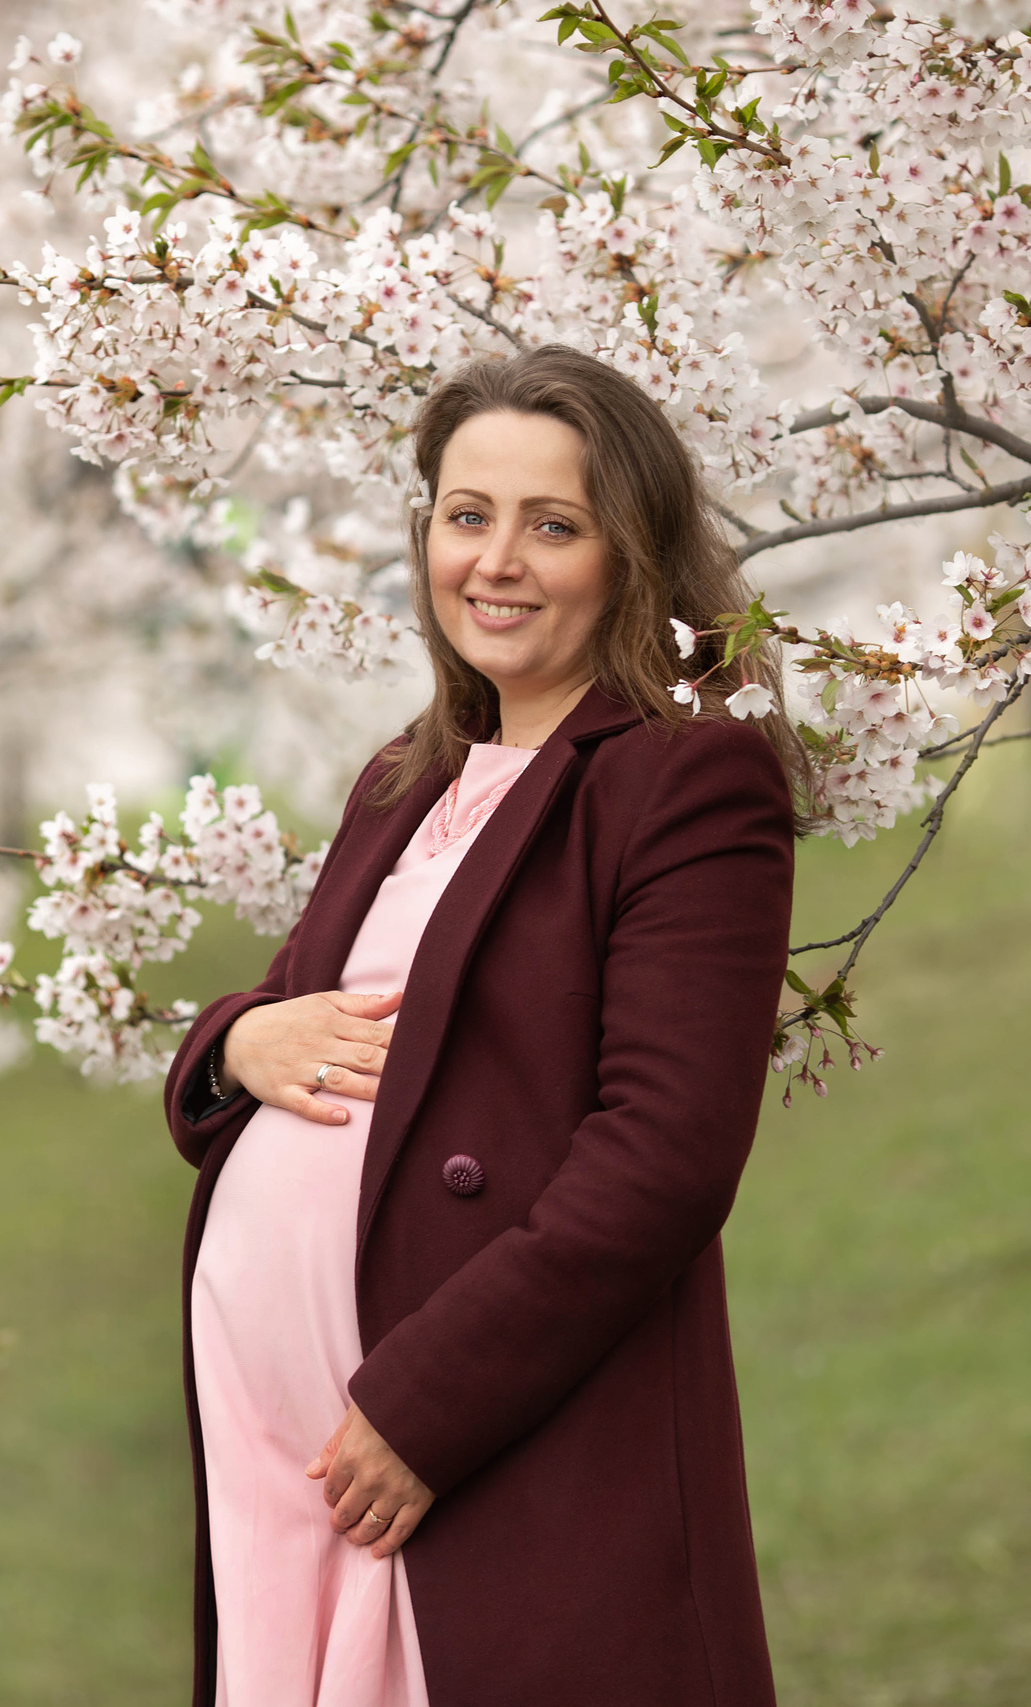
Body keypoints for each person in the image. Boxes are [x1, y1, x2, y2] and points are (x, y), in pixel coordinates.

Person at [165, 344, 813, 1707]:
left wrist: (424, 1408)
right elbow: (292, 1014)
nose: (497, 562)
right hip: (286, 1485)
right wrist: (230, 1045)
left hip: (486, 1457)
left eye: (552, 524)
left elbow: (667, 1153)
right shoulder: (405, 779)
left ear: (628, 554)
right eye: (468, 517)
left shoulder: (685, 776)